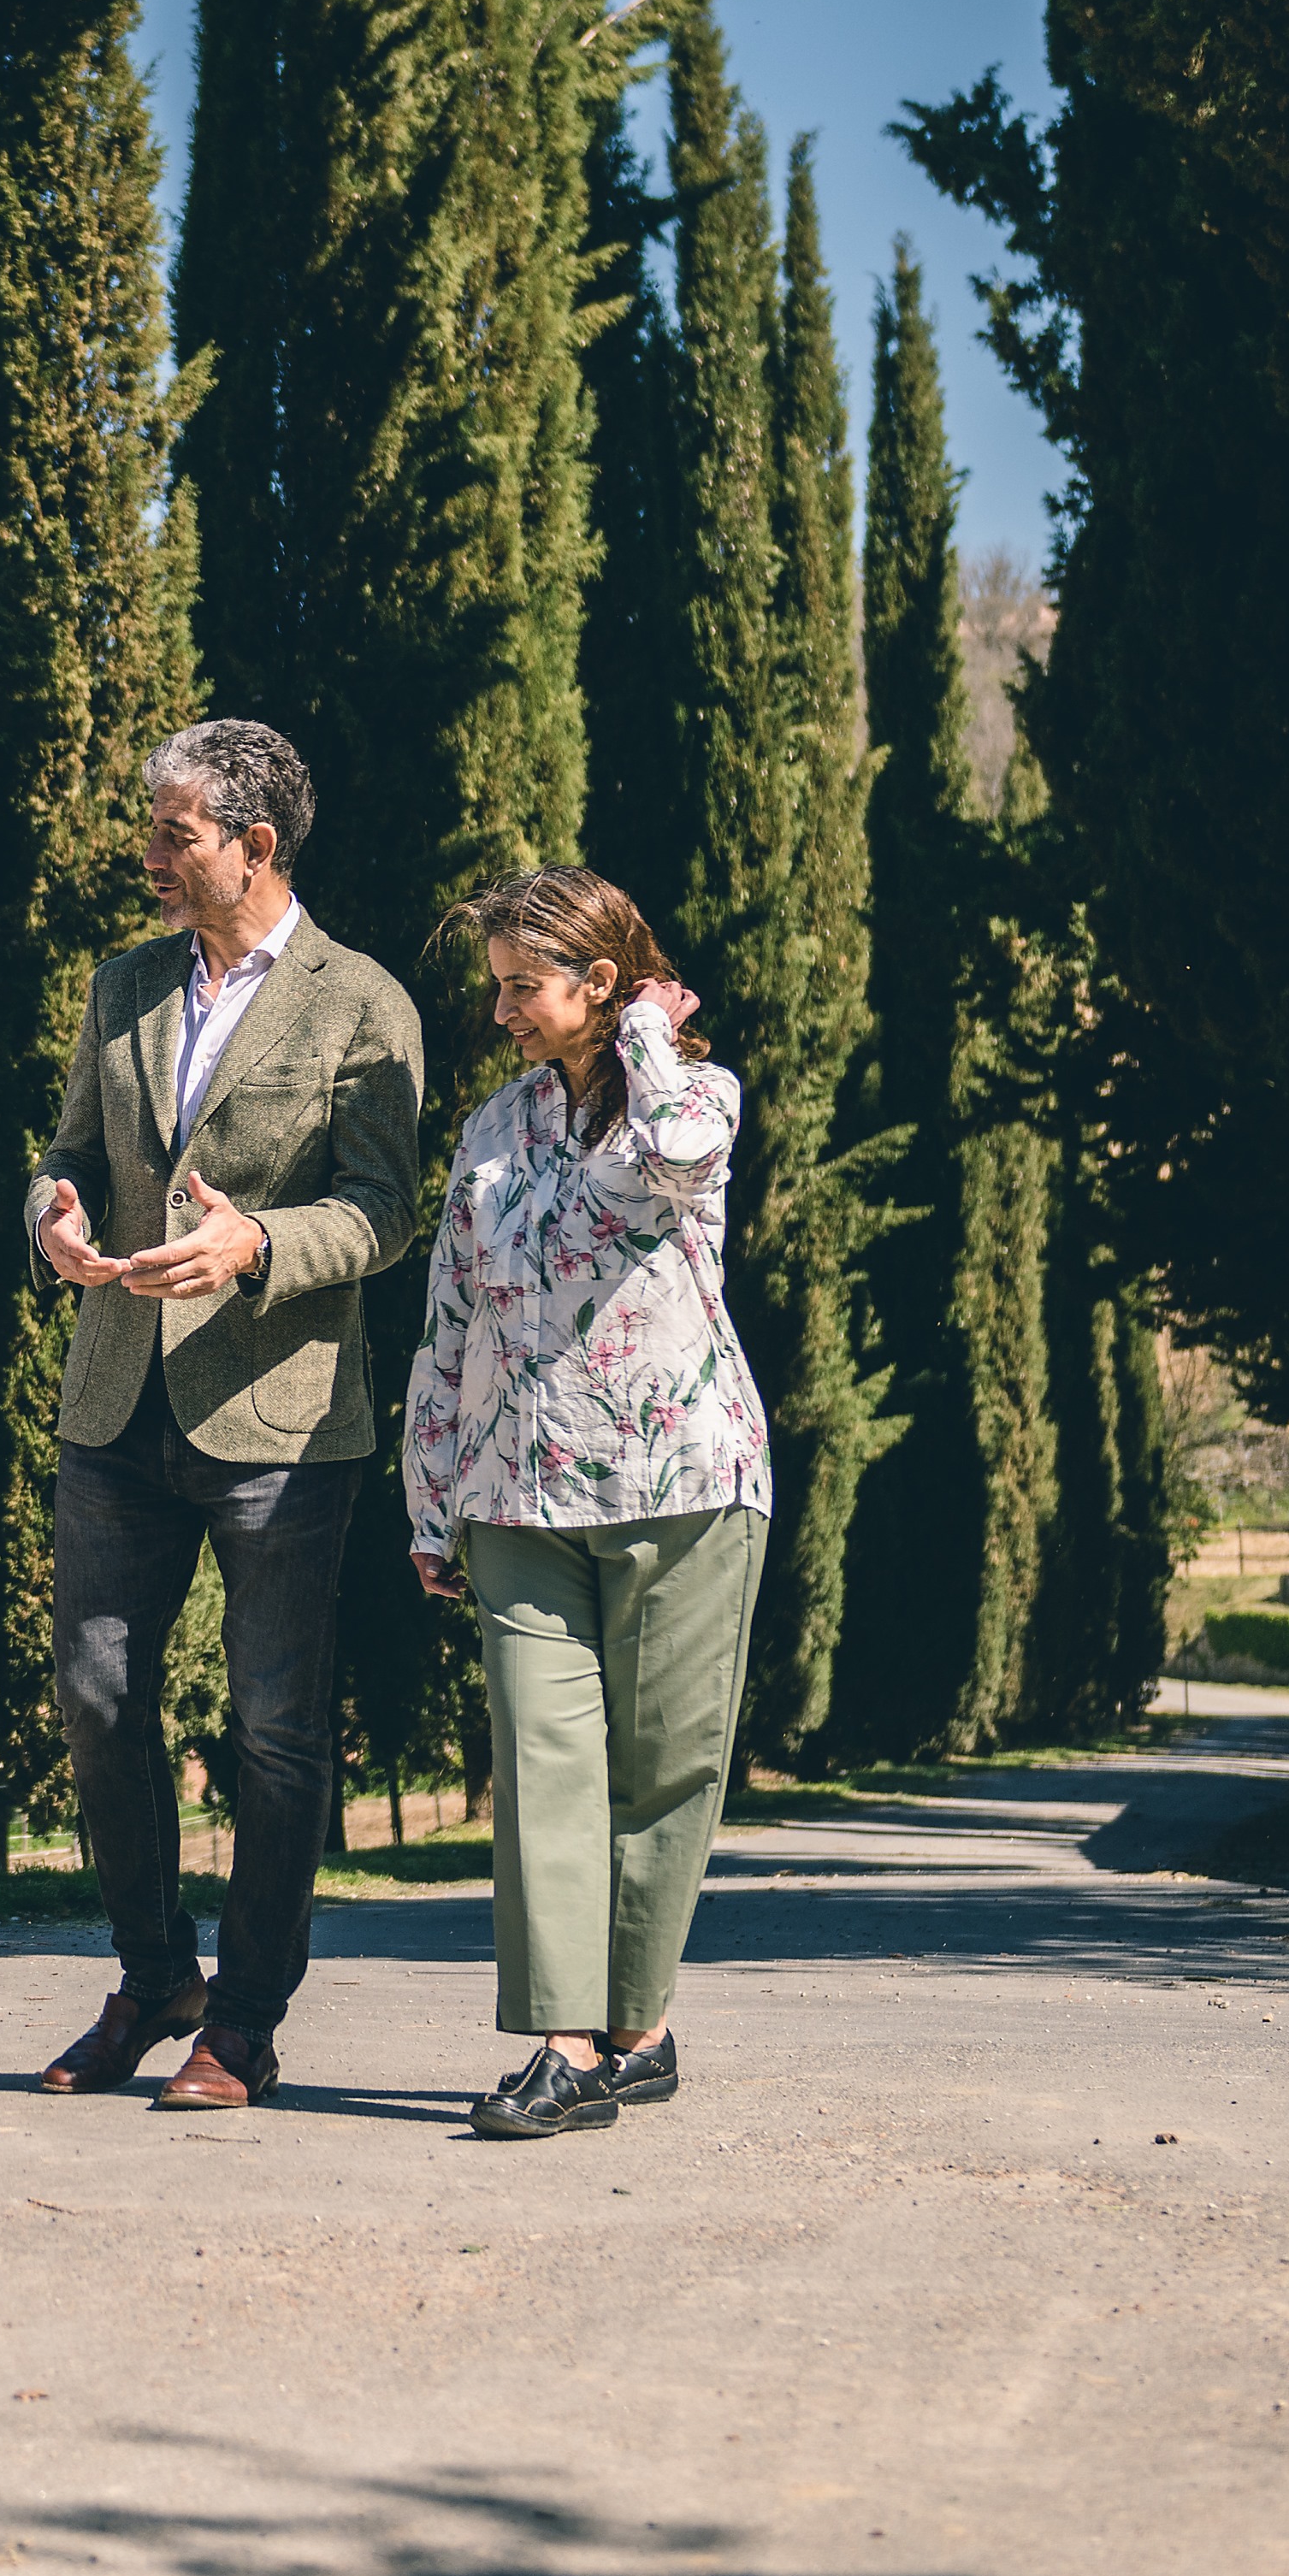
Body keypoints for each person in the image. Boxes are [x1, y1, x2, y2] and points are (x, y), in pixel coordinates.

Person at [21, 719, 424, 2112]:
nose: (150, 855)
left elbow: (383, 1213)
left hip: (281, 1420)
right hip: (116, 1398)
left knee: (275, 1733)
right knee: (96, 1698)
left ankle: (245, 2020)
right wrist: (53, 1215)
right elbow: (70, 1149)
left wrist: (258, 1245)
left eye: (175, 833)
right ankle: (155, 1980)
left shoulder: (362, 1000)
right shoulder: (124, 983)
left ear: (256, 845)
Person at [403, 866, 772, 2137]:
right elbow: (449, 1316)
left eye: (523, 986)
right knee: (546, 1765)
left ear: (599, 986)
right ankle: (566, 2046)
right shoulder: (492, 1132)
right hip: (517, 1493)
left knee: (668, 1767)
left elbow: (675, 1160)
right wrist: (429, 1491)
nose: (501, 1009)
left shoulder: (695, 1095)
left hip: (686, 1483)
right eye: (496, 985)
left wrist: (653, 1037)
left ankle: (638, 2024)